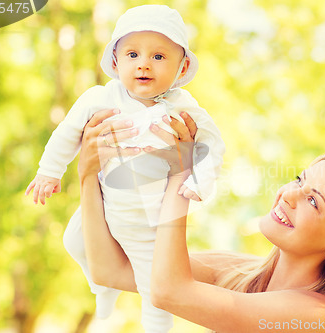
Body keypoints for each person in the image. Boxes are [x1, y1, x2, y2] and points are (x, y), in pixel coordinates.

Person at [77, 109, 325, 333]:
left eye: (312, 201)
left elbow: (169, 292)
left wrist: (182, 177)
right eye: (300, 180)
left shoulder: (321, 319)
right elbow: (112, 270)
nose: (289, 195)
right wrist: (88, 175)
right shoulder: (238, 272)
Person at [25, 4, 225, 331]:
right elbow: (67, 132)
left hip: (147, 218)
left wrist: (200, 182)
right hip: (104, 202)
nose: (144, 64)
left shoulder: (184, 107)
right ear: (116, 62)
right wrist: (49, 171)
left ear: (182, 66)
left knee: (155, 287)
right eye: (133, 54)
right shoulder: (100, 97)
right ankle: (102, 288)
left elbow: (213, 145)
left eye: (159, 57)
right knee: (74, 241)